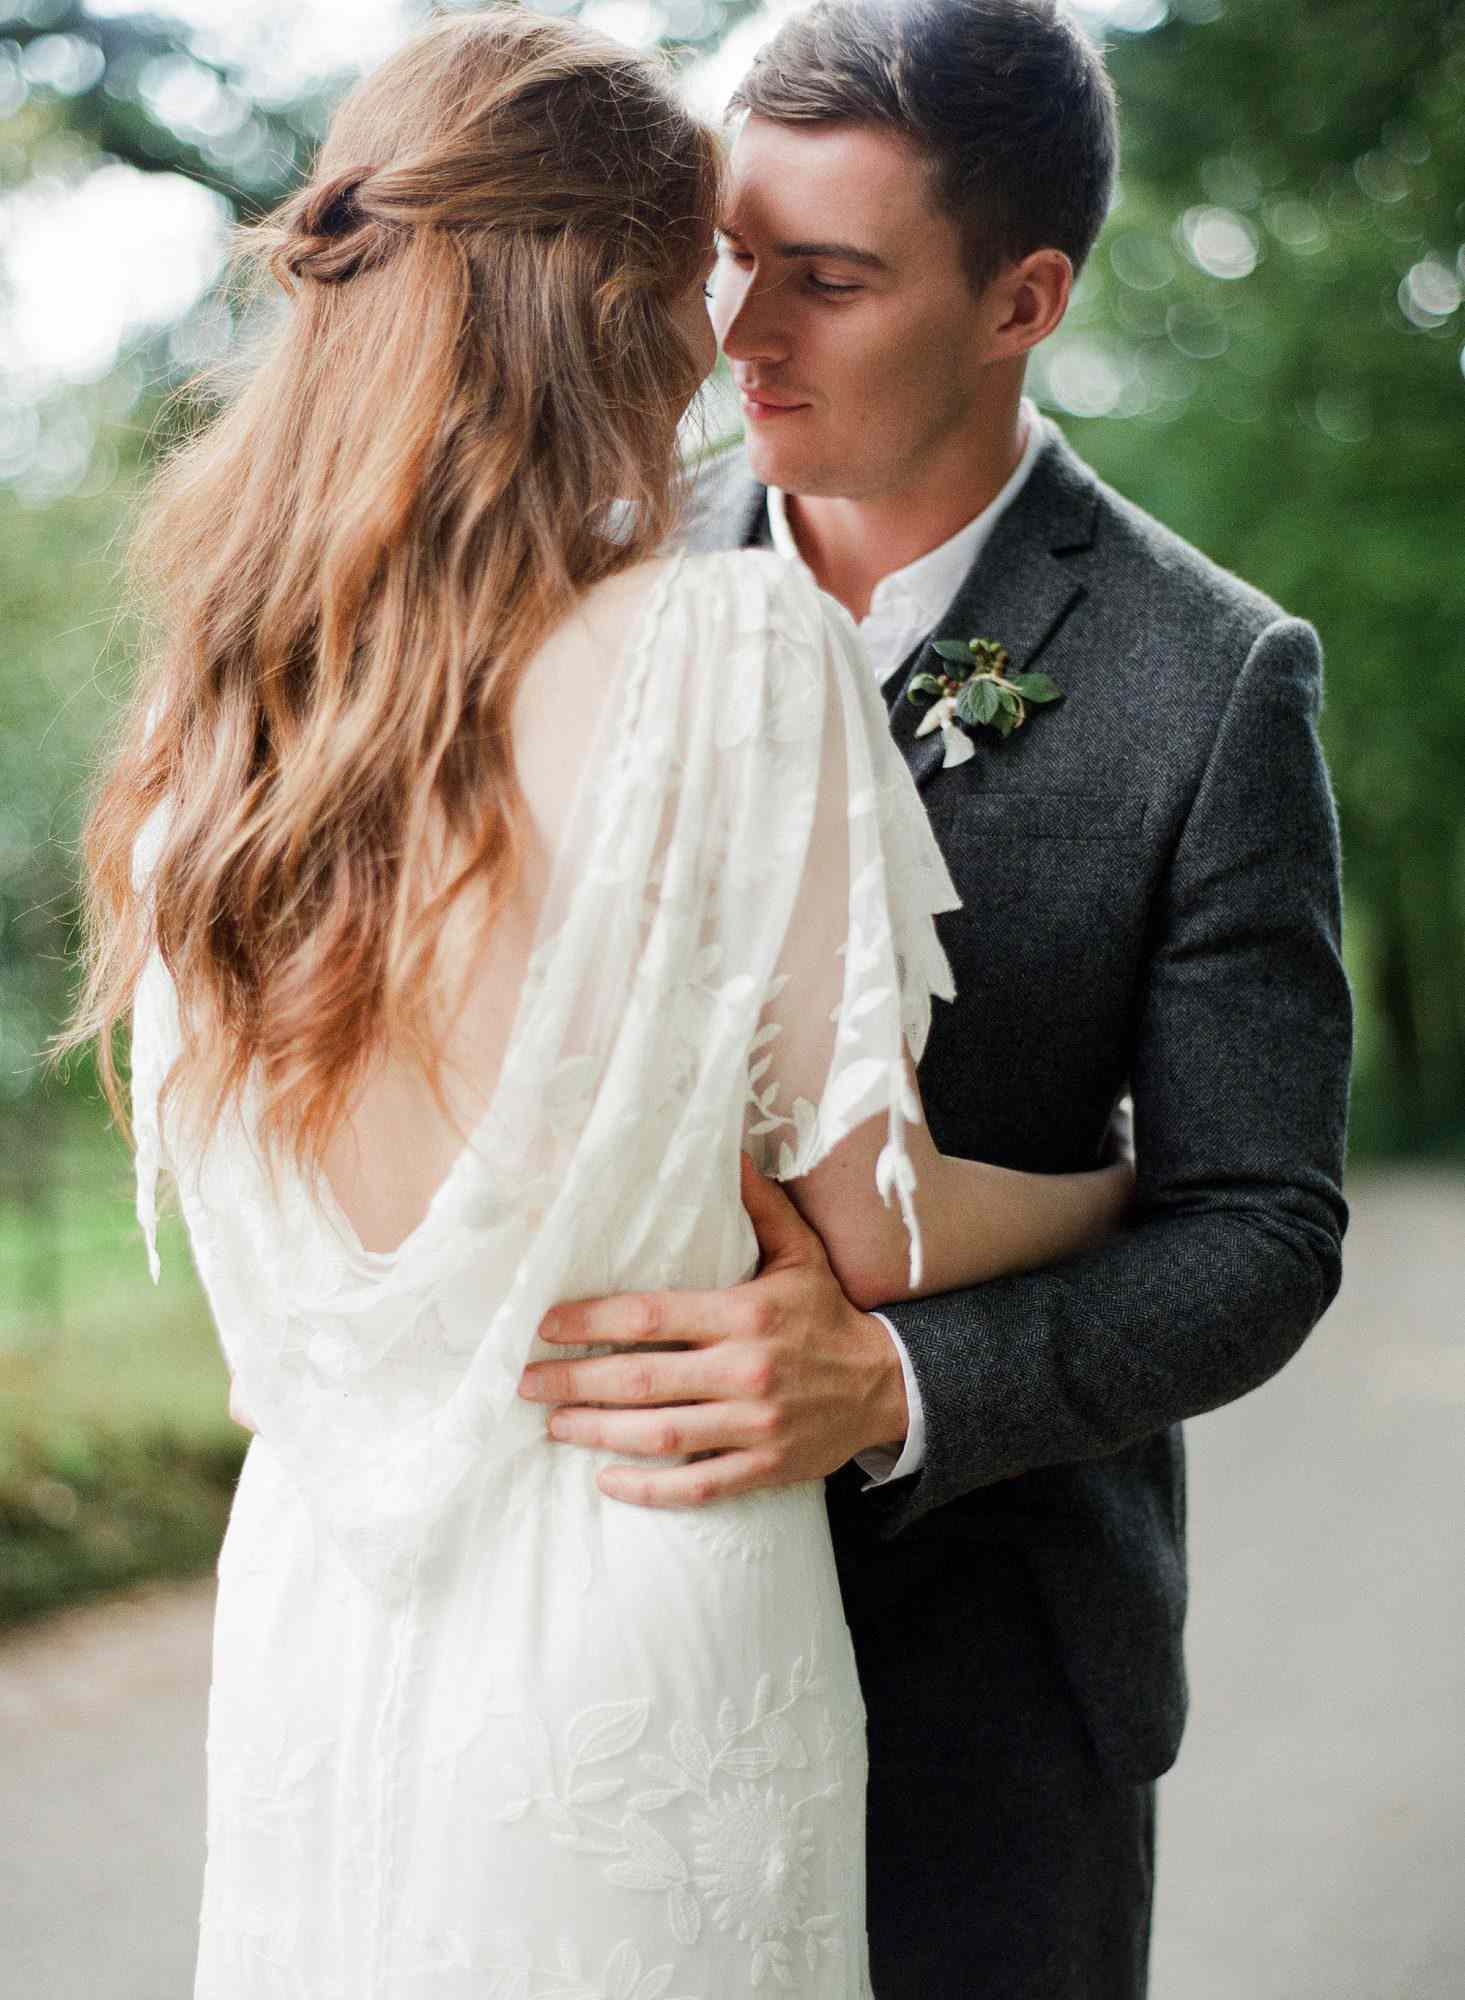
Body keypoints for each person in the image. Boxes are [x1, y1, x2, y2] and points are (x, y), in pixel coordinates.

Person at [60, 11, 1136, 1994]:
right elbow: (868, 1225)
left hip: (316, 1650)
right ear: (633, 305)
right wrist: (1108, 1186)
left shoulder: (203, 733)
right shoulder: (731, 661)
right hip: (647, 1625)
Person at [525, 1, 1354, 1994]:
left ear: (1020, 298)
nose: (737, 334)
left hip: (985, 1687)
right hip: (585, 1650)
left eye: (825, 280)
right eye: (728, 257)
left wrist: (898, 1384)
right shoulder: (582, 583)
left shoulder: (1211, 678)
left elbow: (1262, 1225)